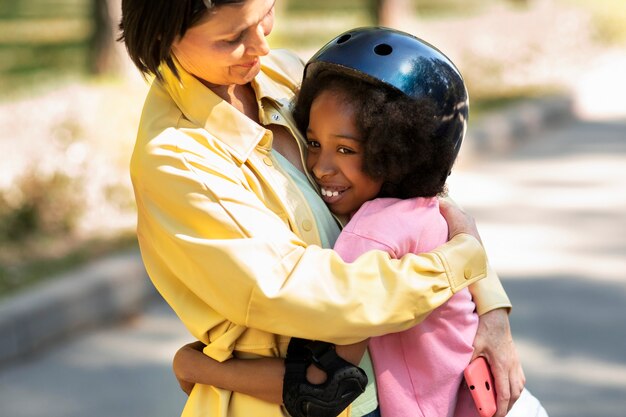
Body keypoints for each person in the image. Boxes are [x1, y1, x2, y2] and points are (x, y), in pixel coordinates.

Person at [118, 1, 524, 417]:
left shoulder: (284, 74)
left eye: (264, 15)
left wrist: (492, 311)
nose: (260, 46)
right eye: (233, 38)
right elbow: (300, 294)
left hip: (398, 381)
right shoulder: (177, 159)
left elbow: (412, 181)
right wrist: (457, 264)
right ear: (161, 38)